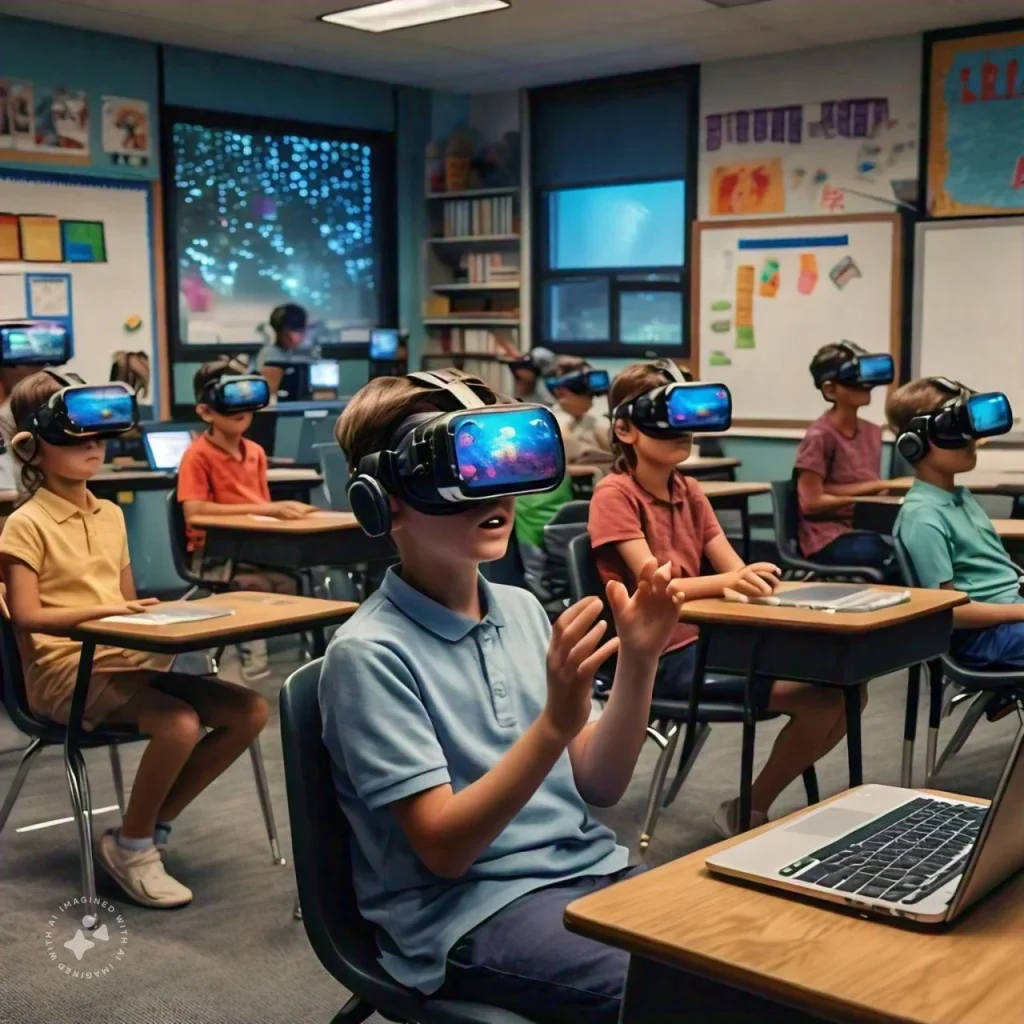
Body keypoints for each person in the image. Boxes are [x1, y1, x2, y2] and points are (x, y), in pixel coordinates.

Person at [321, 368, 687, 1023]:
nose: (493, 496)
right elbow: (444, 850)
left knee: (746, 950)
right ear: (383, 501)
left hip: (588, 872)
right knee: (692, 994)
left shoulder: (519, 608)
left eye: (503, 468)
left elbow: (601, 785)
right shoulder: (369, 654)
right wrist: (552, 727)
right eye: (457, 477)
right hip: (469, 915)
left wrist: (639, 660)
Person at [0, 371, 269, 907]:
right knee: (179, 723)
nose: (92, 451)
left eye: (98, 440)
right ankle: (137, 844)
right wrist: (114, 611)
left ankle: (143, 827)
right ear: (31, 448)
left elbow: (129, 608)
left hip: (120, 662)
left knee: (251, 711)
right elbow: (27, 617)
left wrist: (168, 621)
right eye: (75, 442)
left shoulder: (111, 515)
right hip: (60, 676)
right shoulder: (23, 524)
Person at [588, 361, 851, 837]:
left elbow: (732, 569)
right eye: (665, 419)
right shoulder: (614, 494)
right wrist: (730, 581)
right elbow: (655, 588)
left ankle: (748, 805)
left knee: (846, 686)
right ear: (624, 429)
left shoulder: (689, 490)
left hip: (711, 641)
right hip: (657, 657)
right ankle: (750, 807)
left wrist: (750, 580)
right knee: (820, 701)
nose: (682, 432)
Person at [888, 377, 1022, 719]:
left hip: (1007, 619)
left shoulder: (959, 498)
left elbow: (996, 571)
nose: (972, 441)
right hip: (980, 639)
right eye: (954, 428)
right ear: (913, 444)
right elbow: (949, 613)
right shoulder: (923, 516)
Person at [177, 359, 316, 680]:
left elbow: (260, 507)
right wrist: (270, 509)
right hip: (216, 553)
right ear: (205, 412)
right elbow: (194, 512)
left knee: (294, 581)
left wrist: (283, 512)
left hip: (255, 546)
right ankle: (248, 663)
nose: (242, 414)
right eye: (229, 408)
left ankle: (304, 666)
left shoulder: (254, 451)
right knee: (254, 586)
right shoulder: (197, 456)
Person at [516, 356, 614, 602]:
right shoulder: (550, 421)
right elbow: (568, 455)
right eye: (586, 395)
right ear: (563, 393)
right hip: (542, 503)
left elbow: (612, 446)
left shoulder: (591, 423)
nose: (590, 401)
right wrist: (595, 469)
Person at [794, 342, 895, 572]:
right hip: (827, 537)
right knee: (891, 557)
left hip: (865, 526)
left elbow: (868, 488)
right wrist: (873, 490)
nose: (866, 386)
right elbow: (811, 502)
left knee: (919, 546)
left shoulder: (871, 432)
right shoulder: (820, 436)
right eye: (854, 379)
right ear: (830, 389)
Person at [256, 303, 314, 400]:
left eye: (300, 331)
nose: (294, 338)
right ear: (277, 331)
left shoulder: (308, 354)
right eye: (288, 332)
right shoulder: (268, 354)